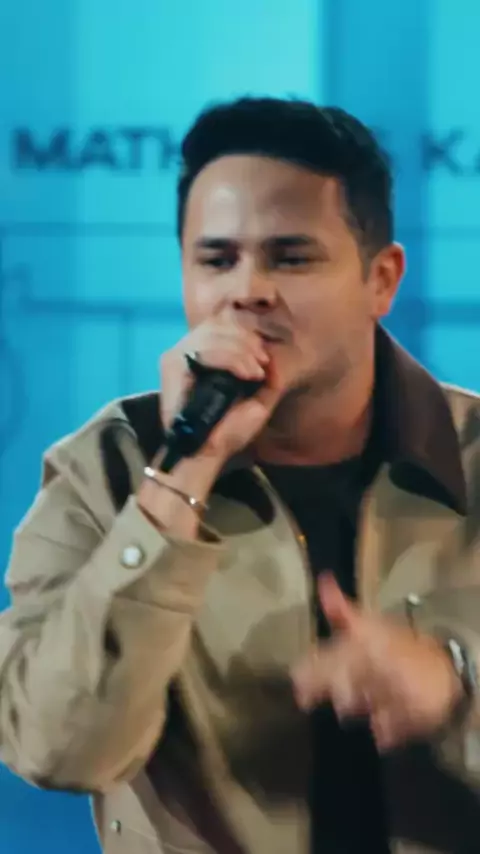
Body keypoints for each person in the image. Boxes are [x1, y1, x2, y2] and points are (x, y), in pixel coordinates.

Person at [1, 97, 480, 854]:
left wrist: (456, 690)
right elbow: (58, 749)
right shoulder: (103, 472)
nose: (247, 290)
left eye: (291, 257)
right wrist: (180, 474)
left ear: (381, 280)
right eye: (217, 260)